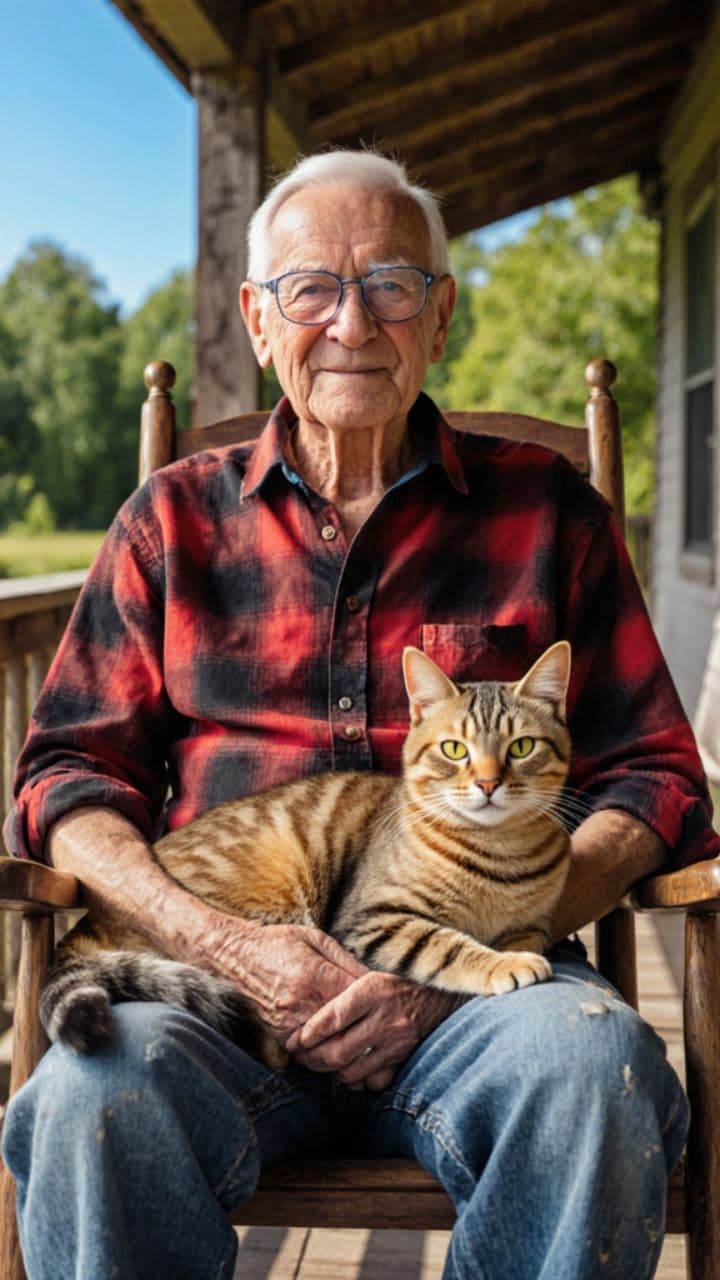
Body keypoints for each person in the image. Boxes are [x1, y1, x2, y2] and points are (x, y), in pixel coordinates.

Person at [2, 149, 715, 1280]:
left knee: (594, 1069)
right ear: (256, 317)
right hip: (215, 987)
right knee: (94, 1089)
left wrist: (476, 948)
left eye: (390, 283)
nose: (351, 321)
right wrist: (222, 942)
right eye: (311, 288)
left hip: (480, 986)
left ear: (440, 315)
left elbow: (658, 777)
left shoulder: (550, 513)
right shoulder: (170, 523)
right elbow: (65, 782)